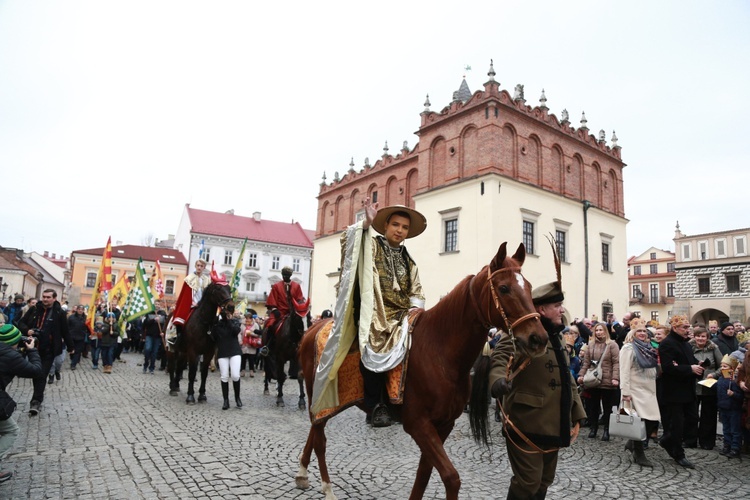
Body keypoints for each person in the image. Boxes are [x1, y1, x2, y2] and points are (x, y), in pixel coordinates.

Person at [310, 200, 427, 428]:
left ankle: (401, 398)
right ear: (385, 226)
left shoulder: (409, 261)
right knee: (371, 352)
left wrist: (416, 311)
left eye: (404, 227)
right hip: (373, 313)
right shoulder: (372, 245)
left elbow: (416, 290)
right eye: (395, 224)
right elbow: (350, 243)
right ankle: (374, 406)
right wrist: (365, 224)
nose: (399, 230)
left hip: (401, 315)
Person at [489, 275, 585, 500]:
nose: (562, 310)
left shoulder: (558, 338)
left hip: (554, 424)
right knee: (528, 483)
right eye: (557, 306)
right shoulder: (521, 334)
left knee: (543, 483)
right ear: (541, 309)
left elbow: (566, 377)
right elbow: (500, 357)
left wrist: (577, 412)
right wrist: (497, 381)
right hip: (527, 421)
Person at [17, 289, 73, 416]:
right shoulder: (34, 309)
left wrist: (71, 347)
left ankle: (36, 401)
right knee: (36, 373)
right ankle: (37, 398)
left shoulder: (59, 313)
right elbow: (21, 323)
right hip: (33, 348)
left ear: (54, 298)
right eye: (44, 297)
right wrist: (28, 330)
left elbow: (65, 331)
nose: (45, 299)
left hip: (49, 349)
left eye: (48, 297)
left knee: (42, 374)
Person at [658, 315, 703, 468]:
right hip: (674, 392)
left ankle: (666, 440)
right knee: (677, 424)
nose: (687, 330)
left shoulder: (686, 344)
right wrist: (690, 368)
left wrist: (698, 365)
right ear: (675, 328)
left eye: (688, 327)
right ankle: (678, 453)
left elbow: (689, 363)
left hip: (688, 390)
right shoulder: (666, 344)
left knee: (692, 419)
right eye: (684, 327)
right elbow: (668, 367)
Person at [0, 324, 43, 483]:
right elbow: (35, 371)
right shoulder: (12, 357)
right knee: (11, 430)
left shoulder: (10, 354)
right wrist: (31, 350)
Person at [618, 318, 660, 467]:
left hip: (649, 389)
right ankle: (639, 453)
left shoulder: (649, 347)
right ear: (632, 333)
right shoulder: (628, 348)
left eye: (644, 331)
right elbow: (624, 371)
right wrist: (625, 392)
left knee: (652, 420)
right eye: (639, 331)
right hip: (634, 390)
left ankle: (632, 443)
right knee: (638, 422)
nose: (642, 333)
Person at [577, 322, 620, 441]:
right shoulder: (591, 345)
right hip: (593, 379)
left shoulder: (612, 345)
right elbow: (586, 363)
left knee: (607, 407)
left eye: (601, 330)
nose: (599, 332)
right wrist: (581, 375)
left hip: (607, 379)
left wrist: (615, 377)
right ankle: (593, 428)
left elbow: (616, 363)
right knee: (593, 406)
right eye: (597, 330)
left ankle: (606, 429)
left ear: (605, 331)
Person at [687, 326, 723, 450]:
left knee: (709, 415)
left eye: (703, 336)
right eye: (698, 336)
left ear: (707, 337)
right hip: (693, 385)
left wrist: (714, 374)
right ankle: (689, 440)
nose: (700, 338)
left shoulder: (714, 348)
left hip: (709, 385)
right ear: (694, 336)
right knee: (691, 414)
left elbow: (722, 365)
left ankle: (706, 442)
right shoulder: (688, 348)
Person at [214, 304, 242, 410]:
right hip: (223, 351)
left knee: (235, 375)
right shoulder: (218, 324)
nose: (227, 315)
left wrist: (229, 320)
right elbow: (214, 335)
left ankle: (237, 398)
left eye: (229, 313)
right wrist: (217, 319)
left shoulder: (235, 322)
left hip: (234, 351)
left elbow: (235, 331)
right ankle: (225, 400)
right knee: (224, 376)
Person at [717, 354, 743, 459]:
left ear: (732, 368)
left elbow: (741, 396)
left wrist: (733, 394)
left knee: (734, 429)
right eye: (721, 366)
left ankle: (735, 447)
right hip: (723, 407)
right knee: (726, 428)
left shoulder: (735, 381)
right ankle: (727, 445)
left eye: (725, 366)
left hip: (733, 408)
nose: (722, 368)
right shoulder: (721, 378)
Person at [142, 307, 166, 374]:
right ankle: (145, 364)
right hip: (149, 335)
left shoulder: (163, 314)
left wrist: (163, 332)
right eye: (156, 304)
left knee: (154, 353)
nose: (157, 306)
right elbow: (145, 324)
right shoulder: (149, 313)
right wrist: (153, 319)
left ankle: (152, 367)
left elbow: (165, 324)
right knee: (147, 349)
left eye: (158, 304)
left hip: (158, 336)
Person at [240, 311, 260, 378]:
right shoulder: (242, 324)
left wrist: (251, 334)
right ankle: (243, 371)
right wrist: (239, 340)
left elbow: (258, 334)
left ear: (251, 319)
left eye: (249, 318)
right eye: (246, 318)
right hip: (244, 344)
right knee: (243, 358)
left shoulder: (255, 325)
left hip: (251, 344)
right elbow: (239, 333)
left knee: (251, 359)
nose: (247, 319)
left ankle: (251, 371)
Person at [67, 305, 88, 370]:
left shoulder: (86, 318)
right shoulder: (71, 317)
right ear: (77, 310)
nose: (80, 310)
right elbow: (67, 326)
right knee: (71, 350)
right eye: (79, 309)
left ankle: (73, 364)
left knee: (78, 351)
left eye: (82, 309)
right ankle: (72, 358)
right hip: (72, 336)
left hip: (81, 336)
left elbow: (88, 327)